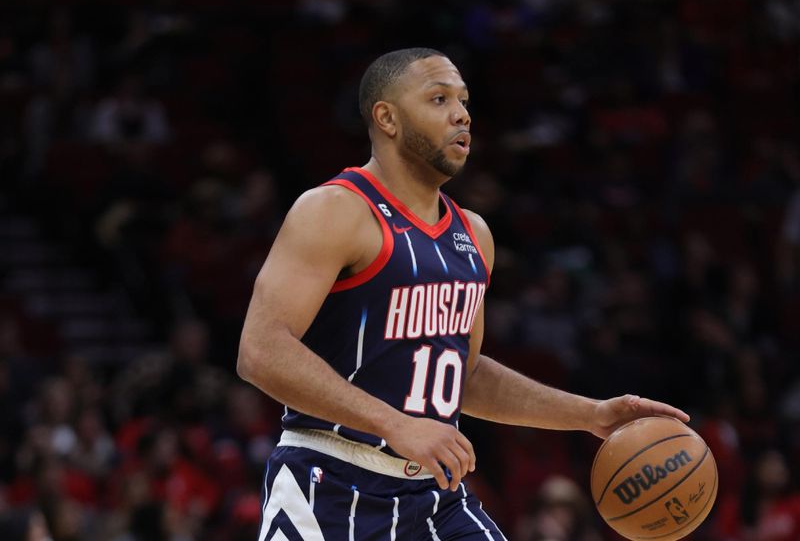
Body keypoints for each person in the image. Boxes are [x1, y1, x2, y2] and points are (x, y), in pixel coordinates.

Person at [237, 47, 689, 540]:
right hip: (329, 484)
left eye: (464, 100)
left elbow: (465, 376)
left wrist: (590, 414)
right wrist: (396, 424)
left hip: (434, 496)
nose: (461, 114)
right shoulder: (335, 210)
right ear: (386, 117)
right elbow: (260, 351)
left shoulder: (473, 235)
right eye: (438, 98)